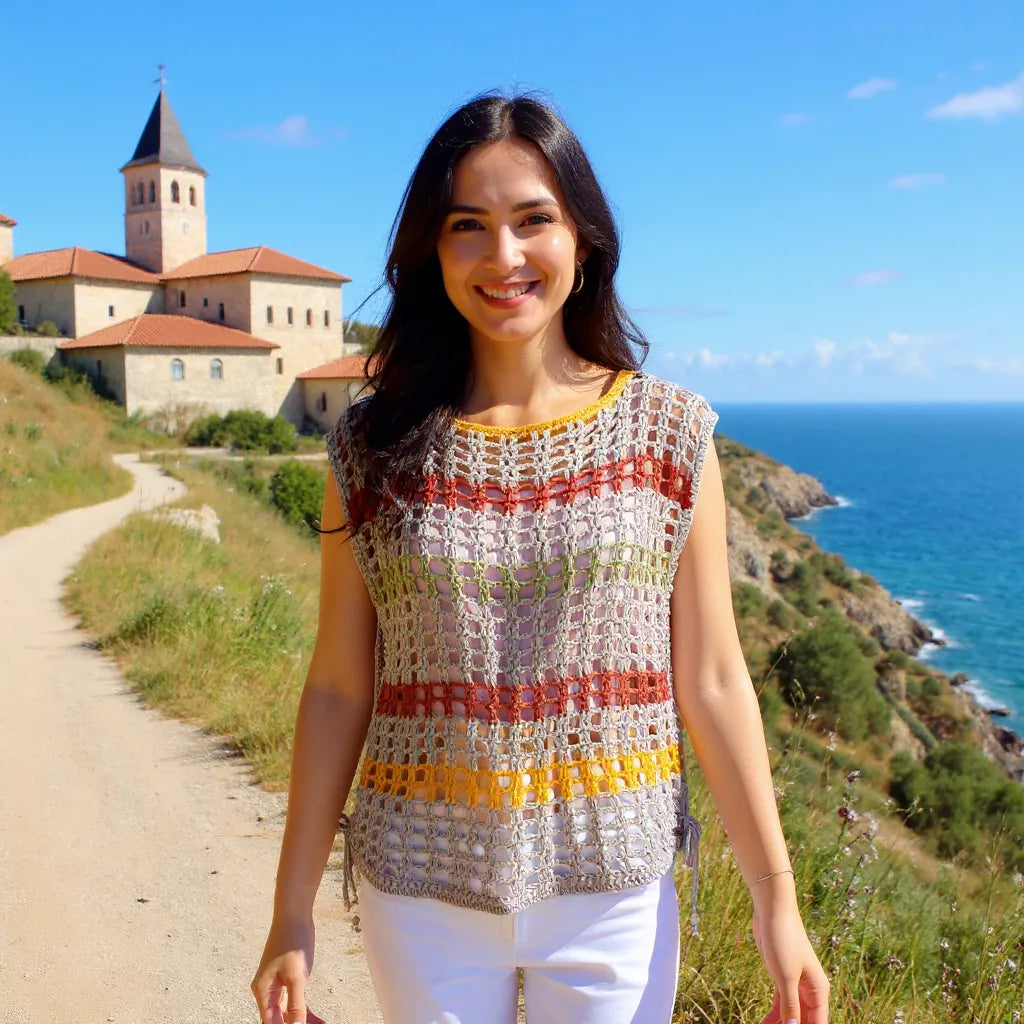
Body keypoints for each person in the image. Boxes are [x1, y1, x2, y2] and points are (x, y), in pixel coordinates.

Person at [251, 91, 831, 1024]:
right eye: (467, 226)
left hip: (616, 890)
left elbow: (715, 679)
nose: (504, 255)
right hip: (421, 881)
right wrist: (291, 911)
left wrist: (778, 902)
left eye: (534, 220)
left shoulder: (670, 434)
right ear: (432, 251)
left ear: (583, 239)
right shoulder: (370, 448)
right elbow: (337, 686)